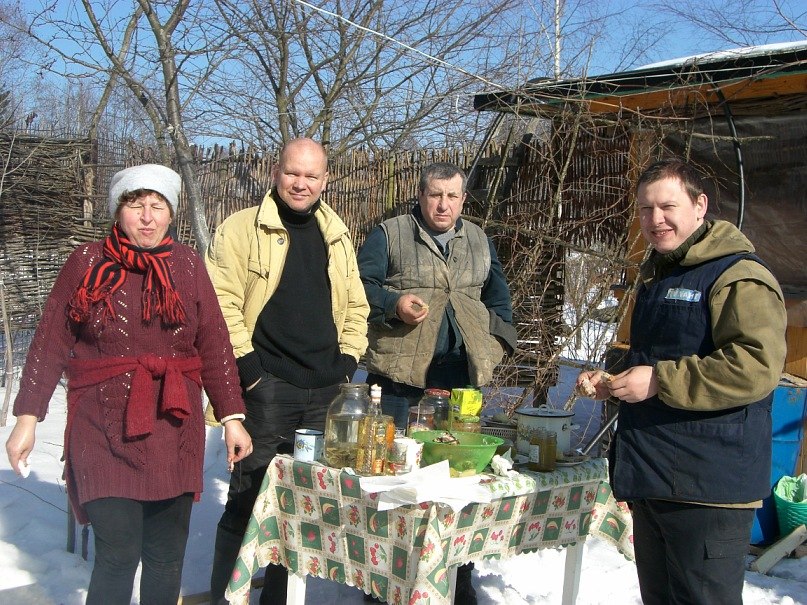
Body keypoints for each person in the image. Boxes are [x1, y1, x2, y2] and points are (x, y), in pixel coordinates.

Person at [4, 164, 253, 605]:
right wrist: (28, 417)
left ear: (171, 214)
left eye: (157, 206)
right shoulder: (87, 262)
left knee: (165, 558)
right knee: (118, 556)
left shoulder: (188, 266)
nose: (146, 216)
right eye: (135, 205)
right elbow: (50, 341)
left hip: (174, 428)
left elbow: (214, 344)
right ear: (117, 211)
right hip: (101, 427)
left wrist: (232, 417)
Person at [577, 158, 787, 605]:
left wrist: (658, 381)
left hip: (708, 486)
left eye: (667, 206)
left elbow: (756, 366)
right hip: (657, 474)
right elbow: (658, 355)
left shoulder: (737, 276)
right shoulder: (661, 271)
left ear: (700, 205)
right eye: (645, 209)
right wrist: (613, 379)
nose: (656, 219)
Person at [205, 137, 369, 604]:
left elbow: (357, 305)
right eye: (293, 173)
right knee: (246, 502)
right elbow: (220, 306)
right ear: (275, 172)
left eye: (311, 176)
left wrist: (349, 361)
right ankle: (225, 597)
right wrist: (251, 372)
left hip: (324, 393)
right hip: (267, 390)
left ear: (325, 180)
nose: (301, 183)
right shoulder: (240, 229)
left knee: (299, 512)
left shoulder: (336, 233)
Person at [357, 161, 517, 604]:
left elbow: (498, 297)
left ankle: (458, 580)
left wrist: (497, 341)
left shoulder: (479, 240)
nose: (443, 205)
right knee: (394, 485)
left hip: (461, 381)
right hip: (398, 383)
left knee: (460, 483)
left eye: (452, 196)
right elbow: (356, 287)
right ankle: (385, 586)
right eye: (435, 195)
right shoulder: (389, 234)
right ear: (420, 195)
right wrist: (392, 302)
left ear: (463, 199)